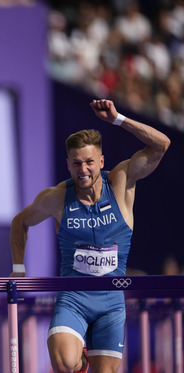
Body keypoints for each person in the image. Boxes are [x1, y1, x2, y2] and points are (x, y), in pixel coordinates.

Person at [9, 99, 170, 373]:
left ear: (101, 161)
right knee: (63, 363)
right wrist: (18, 269)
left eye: (89, 162)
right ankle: (79, 359)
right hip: (73, 297)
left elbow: (161, 145)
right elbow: (20, 221)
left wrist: (119, 119)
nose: (83, 170)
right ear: (68, 165)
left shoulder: (121, 180)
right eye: (76, 164)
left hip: (111, 302)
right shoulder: (57, 197)